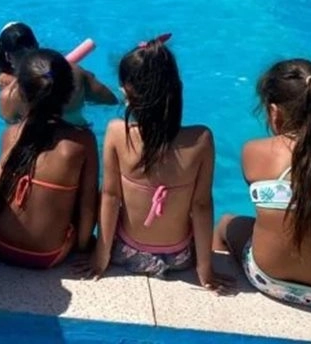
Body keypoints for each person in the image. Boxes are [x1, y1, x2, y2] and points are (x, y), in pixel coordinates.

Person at [214, 60, 311, 308]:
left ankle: (223, 299)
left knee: (225, 224)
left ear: (275, 113)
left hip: (268, 279)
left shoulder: (254, 152)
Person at [87, 35, 223, 289]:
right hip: (179, 257)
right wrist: (205, 269)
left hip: (125, 252)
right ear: (177, 89)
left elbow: (110, 197)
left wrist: (100, 257)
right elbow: (202, 206)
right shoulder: (201, 139)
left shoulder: (117, 132)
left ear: (128, 92)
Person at [0, 48, 98, 269]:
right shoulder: (82, 142)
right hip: (46, 255)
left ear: (22, 93)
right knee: (96, 192)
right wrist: (84, 248)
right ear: (70, 92)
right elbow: (87, 205)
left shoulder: (10, 134)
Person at [0, 22, 116, 127]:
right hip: (80, 141)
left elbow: (12, 140)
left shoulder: (9, 97)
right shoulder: (75, 72)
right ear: (37, 45)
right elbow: (111, 101)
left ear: (8, 56)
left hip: (41, 153)